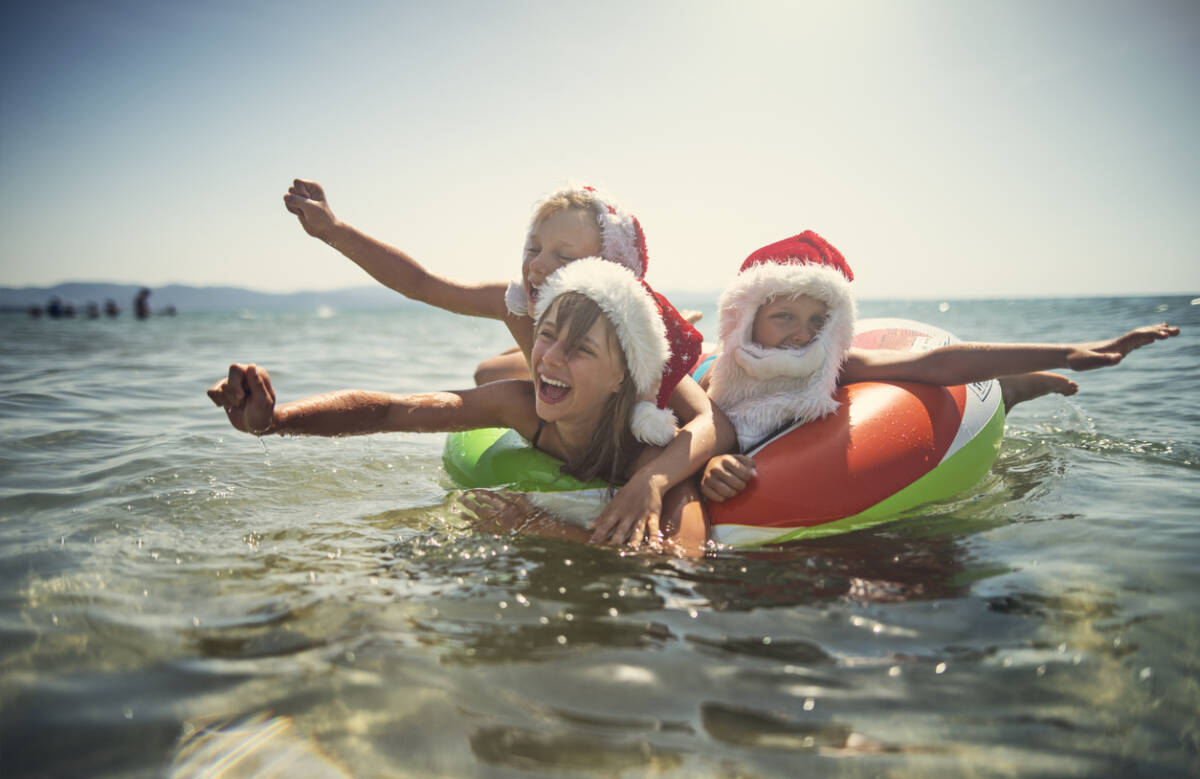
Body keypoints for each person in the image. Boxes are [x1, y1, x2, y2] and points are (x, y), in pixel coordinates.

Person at [283, 179, 734, 543]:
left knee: (503, 373)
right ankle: (524, 361)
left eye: (563, 255)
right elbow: (421, 283)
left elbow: (711, 422)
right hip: (556, 391)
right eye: (533, 247)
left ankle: (681, 336)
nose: (538, 266)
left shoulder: (634, 345)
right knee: (490, 373)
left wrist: (656, 478)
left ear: (607, 270)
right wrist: (333, 230)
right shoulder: (517, 304)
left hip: (606, 402)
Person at [209, 258, 710, 556]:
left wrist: (539, 528)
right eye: (548, 336)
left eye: (580, 349)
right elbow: (390, 411)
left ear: (623, 375)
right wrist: (276, 422)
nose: (550, 359)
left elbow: (680, 559)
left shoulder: (649, 453)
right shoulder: (520, 403)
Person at [697, 232, 1180, 502]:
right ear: (746, 318)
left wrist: (1067, 350)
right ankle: (1015, 387)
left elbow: (933, 364)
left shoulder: (835, 366)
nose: (803, 334)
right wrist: (712, 464)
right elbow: (691, 440)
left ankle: (1014, 389)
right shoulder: (718, 379)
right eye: (784, 317)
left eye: (818, 320)